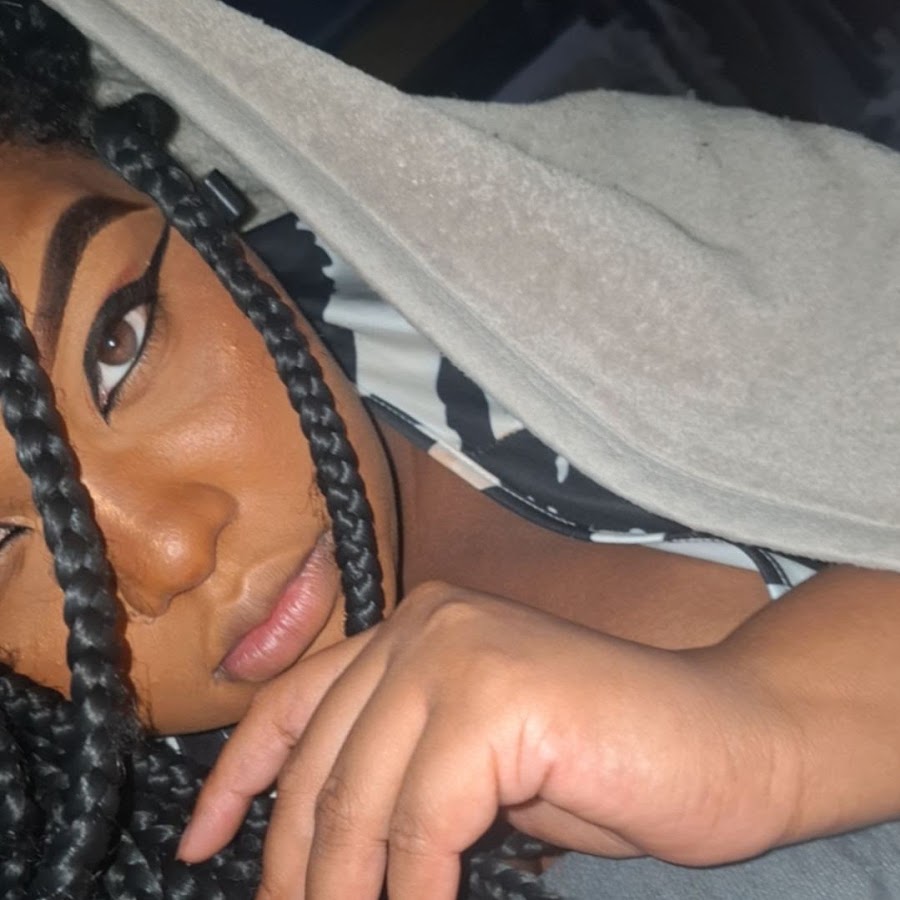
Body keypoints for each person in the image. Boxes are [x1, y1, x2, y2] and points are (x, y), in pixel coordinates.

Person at [1, 2, 899, 899]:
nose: (171, 553)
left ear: (171, 189)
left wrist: (772, 739)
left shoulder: (537, 230)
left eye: (117, 344)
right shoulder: (169, 861)